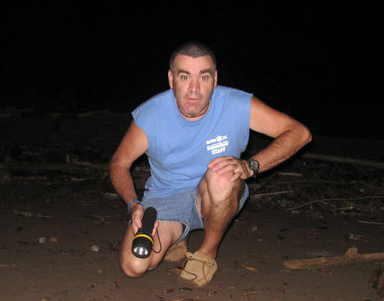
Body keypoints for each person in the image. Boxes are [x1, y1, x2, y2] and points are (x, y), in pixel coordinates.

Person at [109, 41, 311, 286]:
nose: (194, 89)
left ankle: (208, 251)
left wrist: (251, 166)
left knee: (222, 174)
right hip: (166, 198)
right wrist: (133, 205)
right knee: (135, 266)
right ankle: (175, 237)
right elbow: (119, 163)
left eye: (203, 78)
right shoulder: (151, 115)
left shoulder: (236, 104)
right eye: (185, 77)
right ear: (171, 79)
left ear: (215, 79)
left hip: (217, 193)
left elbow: (299, 133)